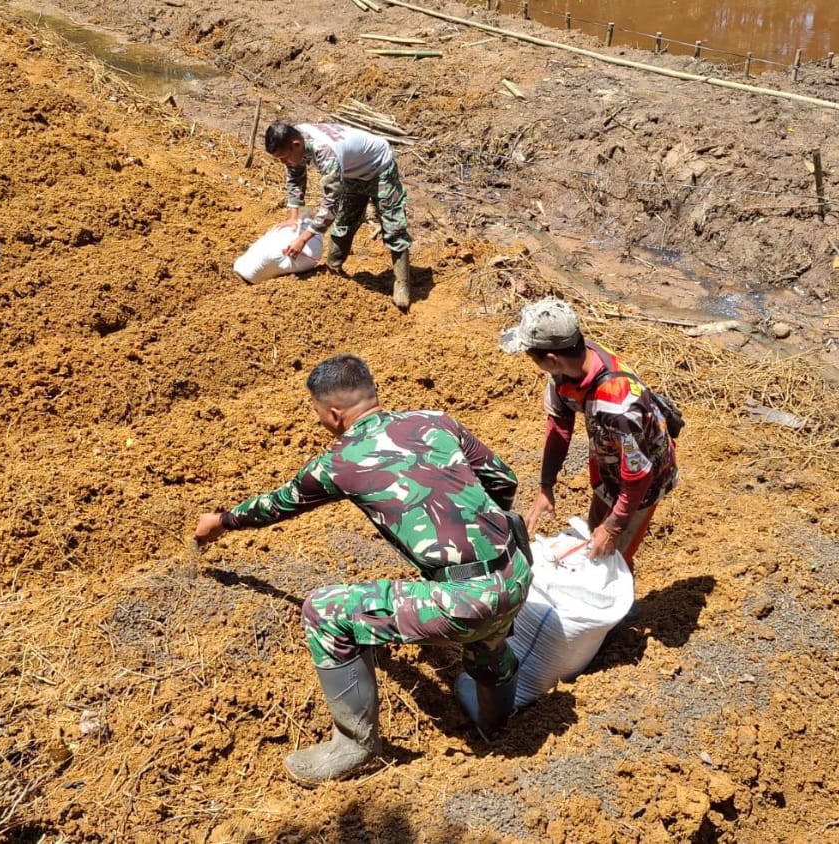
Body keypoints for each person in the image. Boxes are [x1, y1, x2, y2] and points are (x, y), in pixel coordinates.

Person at [194, 354, 532, 784]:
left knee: (325, 611)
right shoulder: (435, 421)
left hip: (465, 601)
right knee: (488, 640)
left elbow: (278, 505)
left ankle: (353, 745)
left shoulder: (339, 462)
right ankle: (498, 726)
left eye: (317, 412)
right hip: (516, 574)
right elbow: (503, 480)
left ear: (334, 413)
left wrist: (222, 521)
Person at [500, 298, 678, 569]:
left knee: (612, 557)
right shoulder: (572, 361)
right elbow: (560, 425)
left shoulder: (617, 406)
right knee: (595, 539)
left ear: (551, 359)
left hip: (644, 481)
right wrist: (546, 486)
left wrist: (614, 527)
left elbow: (639, 474)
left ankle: (620, 607)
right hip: (610, 462)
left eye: (531, 357)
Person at [264, 121, 413, 310]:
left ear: (295, 145)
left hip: (379, 168)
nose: (283, 162)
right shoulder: (295, 139)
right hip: (351, 171)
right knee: (345, 221)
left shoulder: (326, 153)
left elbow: (330, 205)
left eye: (284, 158)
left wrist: (303, 239)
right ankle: (333, 269)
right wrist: (294, 216)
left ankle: (402, 284)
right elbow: (295, 177)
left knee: (393, 226)